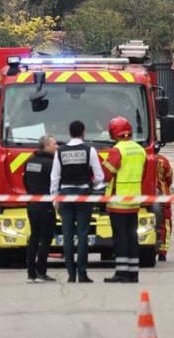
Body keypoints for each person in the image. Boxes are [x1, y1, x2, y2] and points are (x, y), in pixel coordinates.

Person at [50, 119, 103, 283]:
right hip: (83, 195)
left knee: (67, 236)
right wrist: (90, 184)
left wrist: (55, 199)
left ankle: (71, 275)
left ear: (69, 133)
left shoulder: (61, 151)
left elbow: (54, 177)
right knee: (82, 234)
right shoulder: (90, 151)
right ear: (83, 132)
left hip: (65, 195)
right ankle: (82, 274)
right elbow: (100, 177)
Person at [100, 116, 146, 283]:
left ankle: (121, 273)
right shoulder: (140, 150)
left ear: (113, 133)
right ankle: (134, 273)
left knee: (120, 238)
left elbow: (105, 175)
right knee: (132, 237)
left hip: (118, 201)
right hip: (134, 200)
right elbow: (144, 173)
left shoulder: (117, 150)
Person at [23, 135, 58, 283]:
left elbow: (25, 181)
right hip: (46, 206)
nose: (56, 146)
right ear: (46, 146)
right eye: (54, 144)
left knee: (34, 238)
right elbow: (55, 184)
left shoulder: (29, 162)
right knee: (45, 239)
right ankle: (41, 272)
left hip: (32, 205)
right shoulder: (51, 164)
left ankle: (31, 274)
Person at [155, 150, 173, 262]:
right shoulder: (163, 160)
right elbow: (169, 177)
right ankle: (162, 252)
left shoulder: (141, 158)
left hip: (144, 198)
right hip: (163, 198)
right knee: (165, 226)